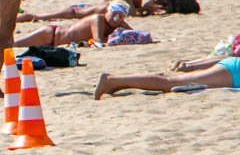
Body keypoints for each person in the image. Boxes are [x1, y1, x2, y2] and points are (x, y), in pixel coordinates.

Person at [95, 54, 240, 99]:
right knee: (169, 83)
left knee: (170, 82)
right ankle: (111, 80)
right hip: (233, 73)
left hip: (232, 69)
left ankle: (119, 83)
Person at [12, 1, 132, 47]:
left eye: (120, 17)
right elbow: (98, 41)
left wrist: (122, 25)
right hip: (52, 35)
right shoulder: (98, 19)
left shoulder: (115, 23)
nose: (116, 18)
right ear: (107, 11)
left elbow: (135, 33)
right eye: (114, 14)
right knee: (14, 45)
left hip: (56, 43)